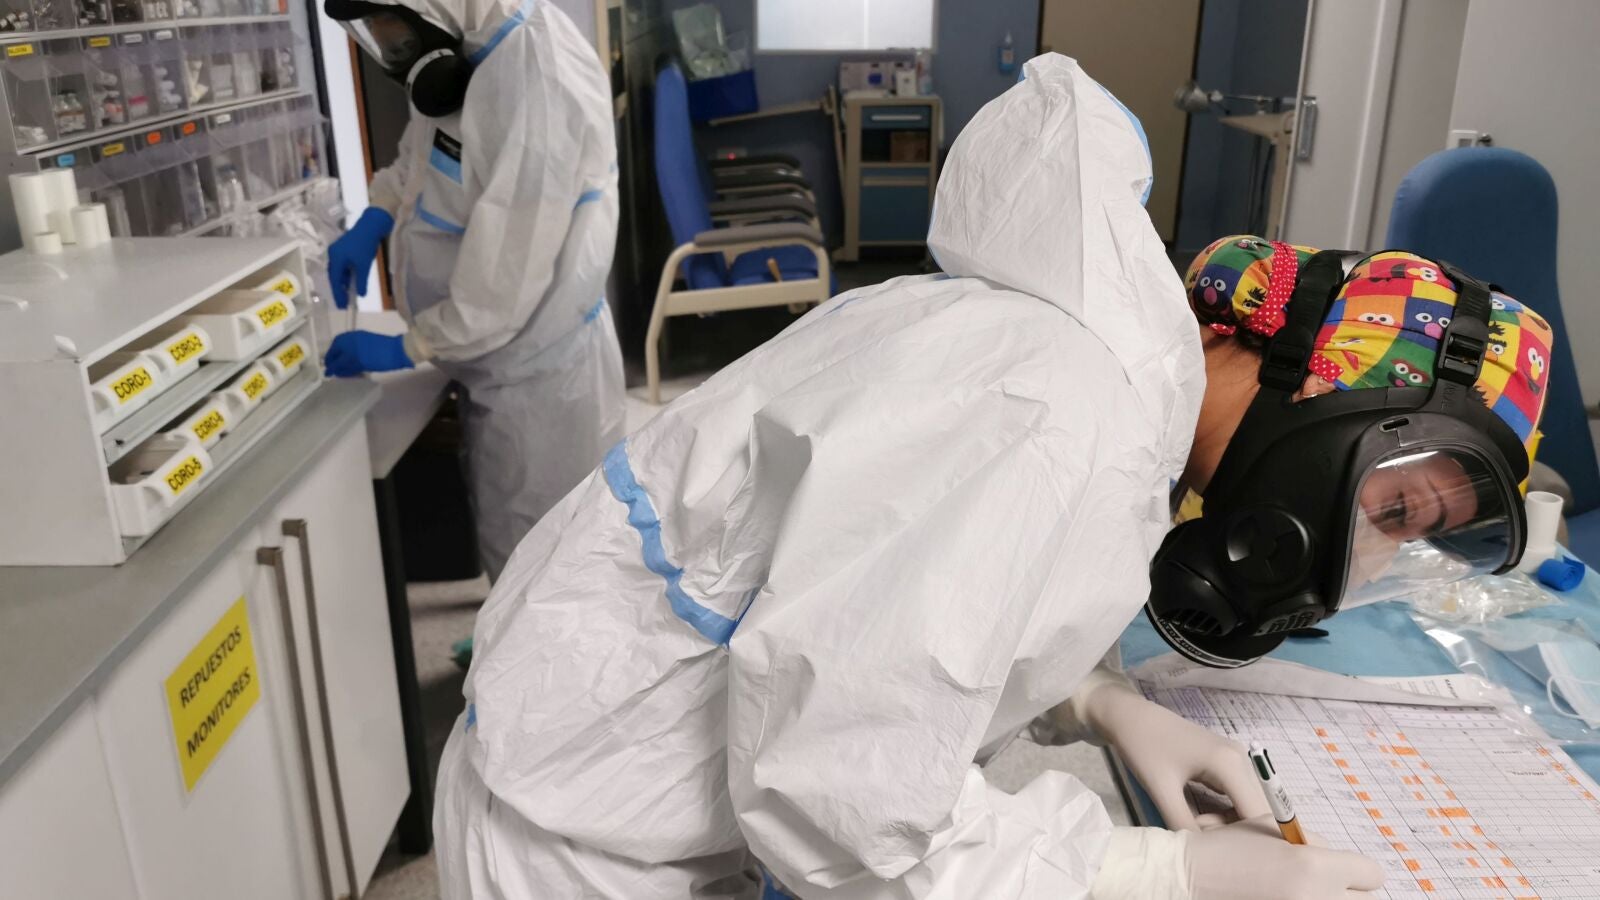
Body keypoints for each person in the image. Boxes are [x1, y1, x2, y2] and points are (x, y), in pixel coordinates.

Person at [433, 56, 1552, 899]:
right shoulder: (1055, 411)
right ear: (1321, 385)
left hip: (634, 781)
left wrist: (1095, 697)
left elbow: (908, 611)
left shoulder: (1109, 384)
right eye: (1393, 508)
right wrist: (1155, 874)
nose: (1370, 556)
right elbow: (839, 802)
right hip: (580, 840)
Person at [321, 0, 625, 580]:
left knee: (544, 561)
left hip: (538, 374)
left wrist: (412, 345)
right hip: (489, 360)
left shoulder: (539, 77)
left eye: (390, 33)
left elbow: (506, 277)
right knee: (510, 539)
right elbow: (425, 156)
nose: (385, 48)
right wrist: (378, 213)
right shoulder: (467, 46)